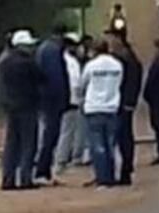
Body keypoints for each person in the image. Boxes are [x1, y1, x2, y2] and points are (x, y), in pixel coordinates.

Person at [0, 29, 45, 190]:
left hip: (11, 107)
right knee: (28, 144)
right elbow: (41, 78)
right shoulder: (28, 63)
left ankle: (7, 178)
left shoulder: (4, 62)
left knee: (11, 144)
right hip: (28, 106)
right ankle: (26, 178)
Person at [79, 37, 124, 188]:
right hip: (112, 107)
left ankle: (102, 178)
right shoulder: (117, 65)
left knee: (97, 146)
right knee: (110, 144)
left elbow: (82, 84)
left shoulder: (91, 66)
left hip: (94, 107)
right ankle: (111, 176)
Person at [35, 25, 70, 185]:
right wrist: (63, 99)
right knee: (50, 136)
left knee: (49, 135)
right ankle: (42, 171)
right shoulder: (52, 51)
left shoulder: (45, 49)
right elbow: (56, 78)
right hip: (52, 100)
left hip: (46, 99)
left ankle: (44, 171)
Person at [112, 32, 143, 185]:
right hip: (125, 102)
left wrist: (129, 101)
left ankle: (125, 170)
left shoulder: (124, 58)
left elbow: (130, 81)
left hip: (123, 103)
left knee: (123, 137)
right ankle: (126, 168)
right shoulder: (129, 57)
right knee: (125, 137)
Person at [55, 33, 87, 173]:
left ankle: (67, 158)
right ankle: (61, 160)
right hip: (71, 100)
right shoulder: (69, 61)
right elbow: (75, 82)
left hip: (72, 100)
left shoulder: (68, 60)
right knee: (67, 132)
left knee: (68, 131)